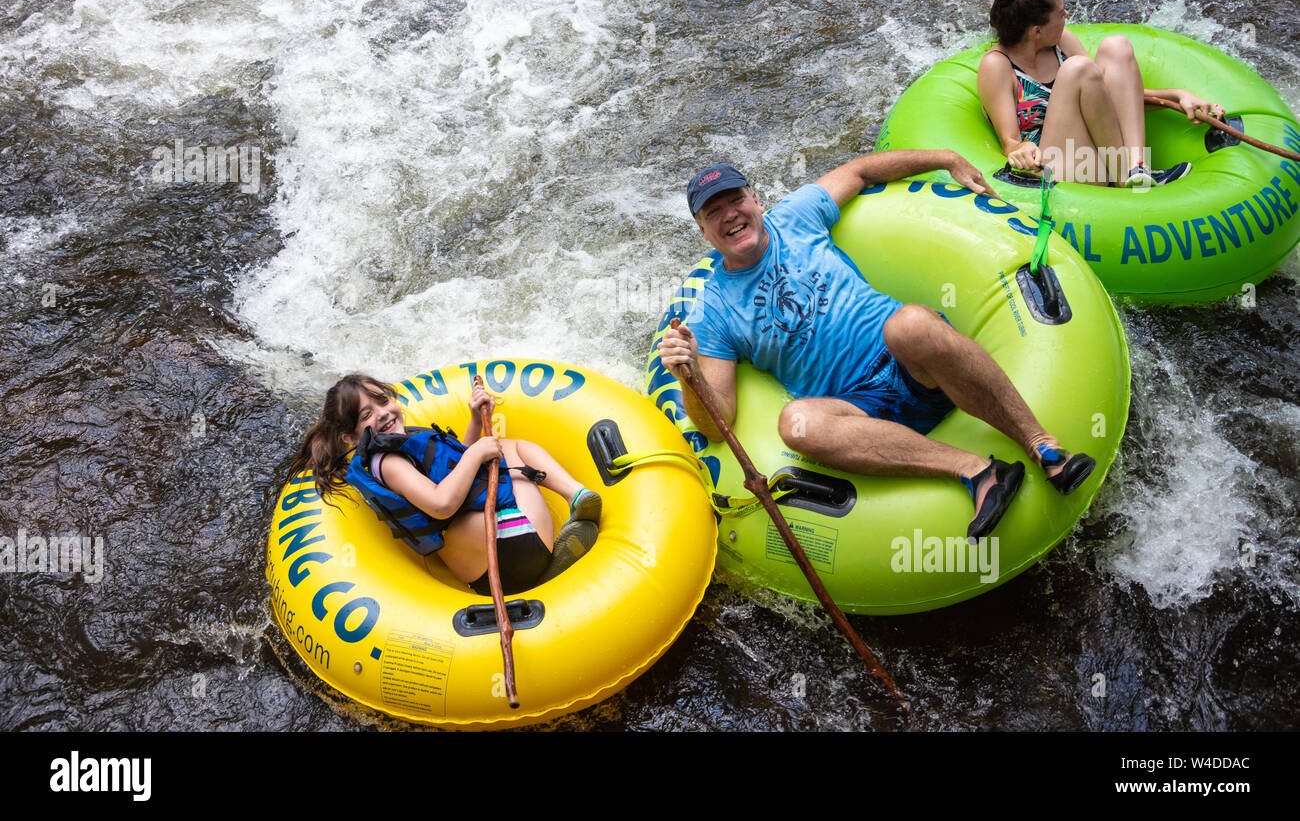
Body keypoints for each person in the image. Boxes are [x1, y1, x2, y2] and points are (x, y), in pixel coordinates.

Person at [657, 155, 1096, 540]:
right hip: (858, 407)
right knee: (796, 423)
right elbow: (719, 425)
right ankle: (978, 471)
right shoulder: (712, 310)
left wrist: (945, 158)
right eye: (714, 211)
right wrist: (686, 375)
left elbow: (862, 171)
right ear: (702, 229)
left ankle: (1042, 446)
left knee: (909, 324)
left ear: (755, 199)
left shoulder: (796, 215)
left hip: (911, 361)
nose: (729, 214)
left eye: (735, 200)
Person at [283, 374, 601, 595]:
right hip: (507, 553)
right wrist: (477, 452)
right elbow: (442, 503)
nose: (382, 413)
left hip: (501, 554)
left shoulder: (399, 443)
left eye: (383, 401)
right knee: (511, 449)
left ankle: (578, 499)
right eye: (367, 413)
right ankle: (568, 507)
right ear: (351, 438)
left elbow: (457, 468)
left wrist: (475, 421)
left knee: (504, 450)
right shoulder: (388, 463)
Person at [977, 0, 1226, 187]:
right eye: (1061, 14)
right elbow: (1009, 141)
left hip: (1101, 153)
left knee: (1116, 47)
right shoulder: (997, 66)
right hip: (1058, 168)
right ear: (1037, 31)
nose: (1067, 15)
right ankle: (1124, 178)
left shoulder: (1062, 42)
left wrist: (1177, 96)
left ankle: (1137, 168)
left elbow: (1105, 99)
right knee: (1079, 68)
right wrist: (1019, 149)